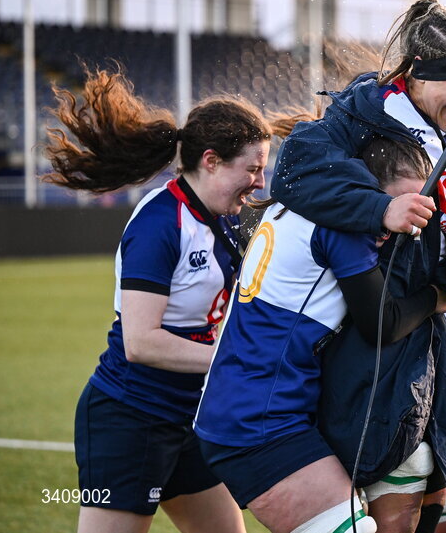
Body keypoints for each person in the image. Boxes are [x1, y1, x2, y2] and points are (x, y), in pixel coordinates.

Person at [270, 0, 446, 533]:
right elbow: (290, 175)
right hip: (380, 344)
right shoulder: (360, 118)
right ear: (418, 74)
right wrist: (381, 209)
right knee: (395, 513)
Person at [43, 70, 274, 533]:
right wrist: (236, 360)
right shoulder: (159, 222)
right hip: (131, 417)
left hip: (188, 417)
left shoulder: (227, 218)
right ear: (210, 160)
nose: (259, 180)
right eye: (251, 168)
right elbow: (141, 343)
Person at [194, 137, 446, 533]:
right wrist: (436, 296)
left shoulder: (301, 203)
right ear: (366, 188)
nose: (411, 218)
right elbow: (381, 323)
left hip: (256, 411)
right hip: (256, 424)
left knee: (412, 465)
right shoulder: (345, 223)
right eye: (400, 202)